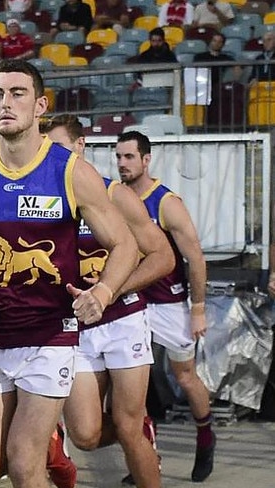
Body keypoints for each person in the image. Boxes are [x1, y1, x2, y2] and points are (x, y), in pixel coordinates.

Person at [0, 59, 139, 488]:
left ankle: (45, 459)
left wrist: (104, 291)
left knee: (23, 464)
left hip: (49, 336)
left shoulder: (71, 171)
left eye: (17, 93)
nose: (6, 103)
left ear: (40, 105)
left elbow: (126, 245)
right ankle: (53, 462)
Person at [41, 115, 174, 488]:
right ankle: (141, 424)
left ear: (80, 146)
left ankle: (138, 430)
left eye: (58, 148)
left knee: (129, 429)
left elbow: (163, 257)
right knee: (84, 434)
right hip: (76, 327)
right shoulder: (42, 199)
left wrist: (110, 290)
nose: (51, 157)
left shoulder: (113, 194)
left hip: (122, 321)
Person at [115, 131, 216, 483]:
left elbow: (196, 257)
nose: (123, 164)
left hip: (169, 303)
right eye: (119, 157)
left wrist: (198, 307)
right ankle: (146, 460)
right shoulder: (115, 197)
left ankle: (205, 436)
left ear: (146, 160)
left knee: (185, 377)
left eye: (129, 157)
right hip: (133, 302)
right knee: (131, 388)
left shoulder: (166, 202)